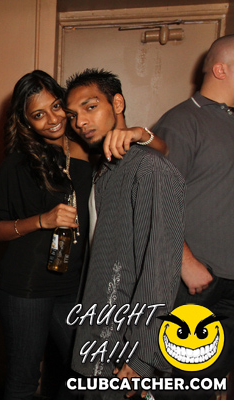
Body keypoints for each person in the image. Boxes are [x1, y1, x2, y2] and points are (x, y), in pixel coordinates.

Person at [0, 70, 165, 400]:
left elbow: (163, 153)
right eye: (38, 115)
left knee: (85, 369)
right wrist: (42, 220)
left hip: (75, 285)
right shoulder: (18, 164)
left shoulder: (89, 146)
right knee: (24, 380)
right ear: (26, 123)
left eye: (56, 107)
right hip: (27, 287)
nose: (53, 119)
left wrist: (140, 133)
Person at [65, 68, 185, 399]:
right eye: (73, 115)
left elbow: (160, 268)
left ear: (117, 103)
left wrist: (143, 354)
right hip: (100, 331)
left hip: (125, 347)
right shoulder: (105, 167)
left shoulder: (149, 169)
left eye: (90, 107)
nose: (80, 122)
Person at [153, 34, 234, 399]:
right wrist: (185, 262)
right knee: (180, 386)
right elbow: (154, 197)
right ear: (221, 69)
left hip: (230, 282)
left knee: (208, 384)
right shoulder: (182, 121)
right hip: (196, 284)